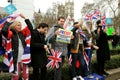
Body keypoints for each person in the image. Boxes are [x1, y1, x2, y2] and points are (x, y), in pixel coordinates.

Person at [1, 14, 30, 80]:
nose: (20, 27)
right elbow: (4, 31)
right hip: (15, 58)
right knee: (15, 76)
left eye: (21, 25)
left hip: (24, 57)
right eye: (18, 25)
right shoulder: (11, 34)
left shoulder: (22, 33)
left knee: (26, 76)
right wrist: (7, 22)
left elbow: (30, 28)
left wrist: (25, 18)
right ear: (14, 26)